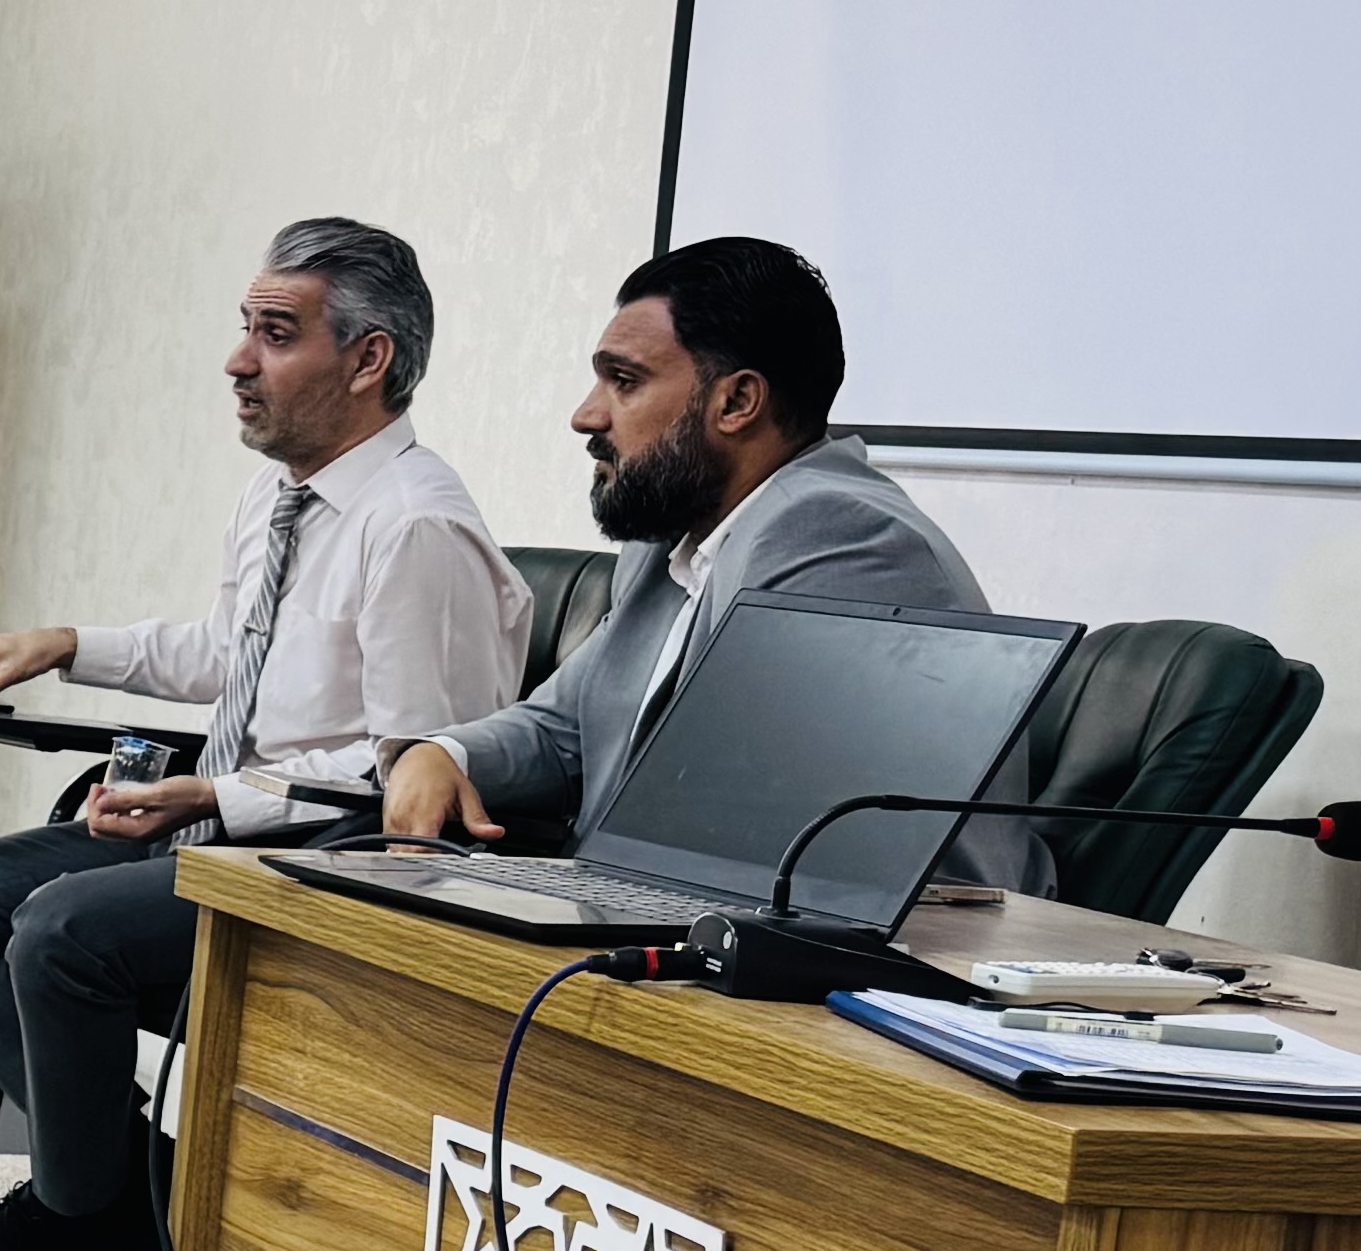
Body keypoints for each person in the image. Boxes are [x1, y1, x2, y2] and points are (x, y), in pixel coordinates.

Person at [0, 220, 521, 1251]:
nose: (237, 361)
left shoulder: (418, 527)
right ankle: (139, 1187)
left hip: (327, 863)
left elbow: (420, 771)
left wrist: (221, 796)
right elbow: (233, 654)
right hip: (220, 829)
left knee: (61, 931)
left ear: (368, 360)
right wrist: (63, 645)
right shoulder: (281, 497)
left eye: (276, 334)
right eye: (245, 329)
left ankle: (79, 1199)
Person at [381, 235, 981, 858]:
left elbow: (740, 811)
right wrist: (442, 755)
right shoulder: (674, 539)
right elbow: (565, 730)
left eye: (624, 381)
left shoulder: (833, 534)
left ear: (737, 402)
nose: (587, 416)